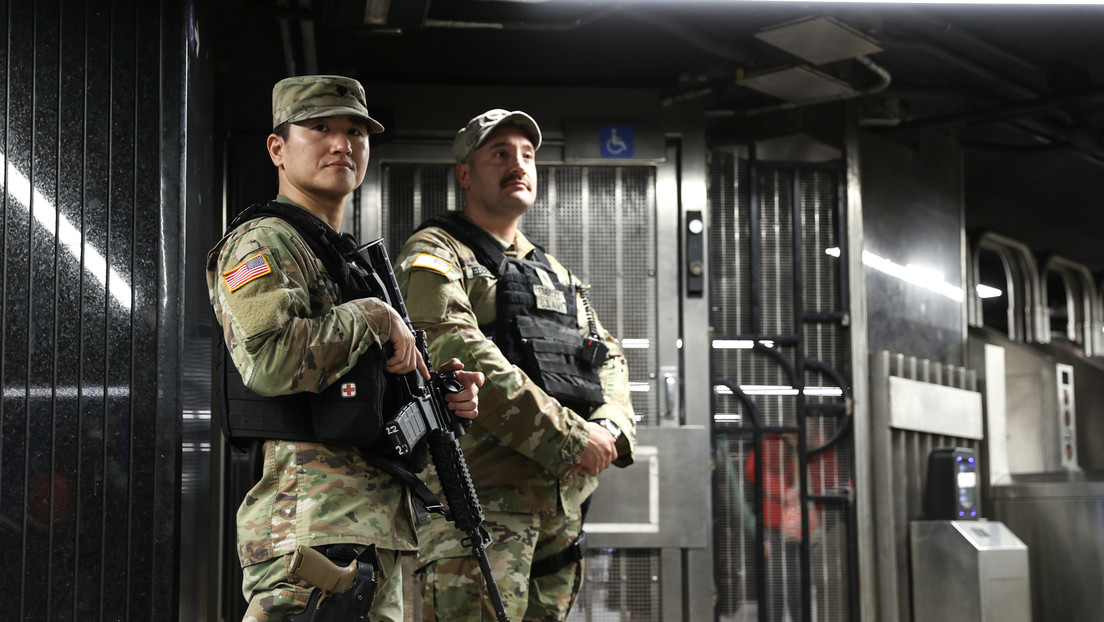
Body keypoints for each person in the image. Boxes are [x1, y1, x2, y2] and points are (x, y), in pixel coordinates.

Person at [206, 75, 484, 622]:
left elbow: (365, 394)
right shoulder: (263, 241)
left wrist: (436, 397)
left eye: (355, 131)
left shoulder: (346, 261)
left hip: (376, 533)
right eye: (320, 129)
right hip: (313, 535)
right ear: (278, 148)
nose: (342, 144)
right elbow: (270, 360)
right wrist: (374, 316)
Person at [394, 109, 637, 621]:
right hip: (481, 504)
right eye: (499, 154)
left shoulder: (552, 270)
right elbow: (457, 351)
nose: (518, 164)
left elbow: (607, 353)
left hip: (560, 507)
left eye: (527, 155)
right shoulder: (435, 253)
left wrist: (611, 428)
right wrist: (573, 439)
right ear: (465, 173)